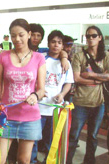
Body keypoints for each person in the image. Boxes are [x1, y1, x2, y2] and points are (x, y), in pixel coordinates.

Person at [0, 18, 46, 164]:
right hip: (5, 116)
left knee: (23, 160)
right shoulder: (3, 56)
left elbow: (42, 89)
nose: (17, 39)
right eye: (13, 35)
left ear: (29, 34)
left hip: (30, 118)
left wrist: (36, 95)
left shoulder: (38, 58)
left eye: (21, 35)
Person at [67, 26, 109, 164]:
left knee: (93, 136)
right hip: (80, 102)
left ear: (100, 37)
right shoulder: (79, 56)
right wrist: (99, 79)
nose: (91, 38)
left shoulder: (106, 56)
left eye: (94, 35)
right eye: (88, 36)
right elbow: (77, 78)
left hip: (98, 103)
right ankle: (68, 161)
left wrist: (91, 75)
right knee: (73, 136)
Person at [33, 30, 74, 164]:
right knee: (33, 138)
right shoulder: (40, 58)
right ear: (48, 43)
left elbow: (68, 82)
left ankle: (48, 161)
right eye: (53, 42)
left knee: (52, 139)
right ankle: (31, 160)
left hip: (55, 109)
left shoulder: (66, 63)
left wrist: (62, 94)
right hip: (37, 107)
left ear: (62, 46)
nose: (56, 45)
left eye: (59, 43)